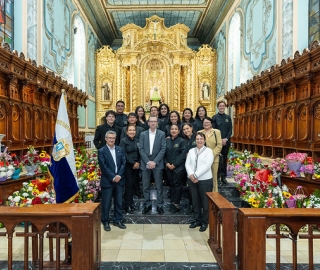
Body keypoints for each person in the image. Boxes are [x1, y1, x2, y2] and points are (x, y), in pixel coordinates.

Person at [98, 130, 126, 231]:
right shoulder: (101, 151)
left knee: (118, 201)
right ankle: (105, 221)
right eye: (109, 138)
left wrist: (119, 175)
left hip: (119, 180)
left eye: (113, 138)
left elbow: (123, 163)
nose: (111, 140)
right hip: (108, 181)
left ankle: (117, 220)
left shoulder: (120, 149)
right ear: (106, 139)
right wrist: (113, 177)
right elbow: (103, 166)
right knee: (106, 202)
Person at [185, 132, 214, 232]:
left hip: (205, 180)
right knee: (195, 201)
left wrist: (196, 175)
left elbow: (207, 165)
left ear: (205, 140)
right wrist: (191, 175)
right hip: (192, 180)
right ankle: (197, 220)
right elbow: (187, 163)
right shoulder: (191, 150)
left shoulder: (209, 151)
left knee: (205, 203)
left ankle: (204, 222)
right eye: (197, 139)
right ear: (195, 140)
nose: (199, 141)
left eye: (201, 139)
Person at [138, 116, 166, 215]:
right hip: (145, 163)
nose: (153, 123)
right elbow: (140, 148)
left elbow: (163, 149)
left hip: (157, 164)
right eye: (151, 121)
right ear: (148, 123)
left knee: (159, 186)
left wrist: (154, 162)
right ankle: (147, 205)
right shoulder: (143, 134)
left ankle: (159, 206)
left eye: (155, 121)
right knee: (145, 186)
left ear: (157, 123)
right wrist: (147, 162)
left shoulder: (162, 134)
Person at [164, 124, 187, 213]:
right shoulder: (166, 141)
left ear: (178, 131)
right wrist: (166, 163)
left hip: (178, 168)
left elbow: (182, 155)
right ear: (170, 131)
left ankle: (176, 203)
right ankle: (172, 201)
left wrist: (175, 164)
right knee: (171, 184)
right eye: (172, 129)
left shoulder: (182, 141)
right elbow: (163, 153)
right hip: (168, 167)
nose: (173, 130)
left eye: (175, 129)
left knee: (177, 185)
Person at [120, 125, 140, 214]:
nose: (132, 132)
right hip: (128, 166)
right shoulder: (123, 141)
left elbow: (141, 152)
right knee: (128, 185)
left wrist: (138, 162)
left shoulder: (138, 141)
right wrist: (133, 163)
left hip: (136, 166)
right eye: (130, 130)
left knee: (133, 185)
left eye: (133, 130)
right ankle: (127, 204)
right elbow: (124, 154)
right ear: (127, 132)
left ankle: (131, 203)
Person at [199, 117, 222, 192]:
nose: (206, 124)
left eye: (208, 122)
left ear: (211, 124)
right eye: (204, 122)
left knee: (214, 177)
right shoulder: (200, 132)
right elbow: (198, 145)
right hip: (203, 159)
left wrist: (211, 155)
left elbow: (219, 145)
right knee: (204, 177)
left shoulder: (216, 132)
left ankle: (214, 194)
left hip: (214, 159)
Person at [212, 101, 233, 185]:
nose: (221, 107)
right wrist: (220, 140)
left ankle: (223, 177)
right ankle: (216, 177)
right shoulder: (214, 117)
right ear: (218, 107)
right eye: (220, 106)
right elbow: (213, 130)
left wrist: (226, 139)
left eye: (223, 106)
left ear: (225, 107)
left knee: (224, 160)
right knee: (217, 160)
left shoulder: (228, 117)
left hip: (226, 142)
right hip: (217, 143)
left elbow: (230, 130)